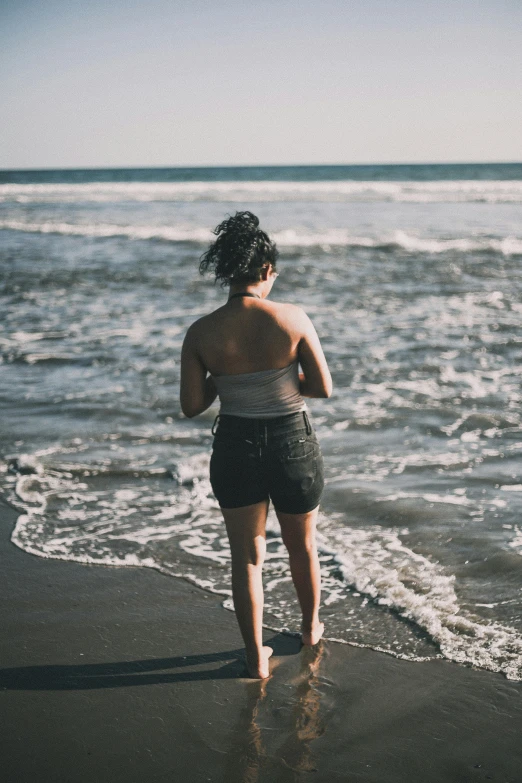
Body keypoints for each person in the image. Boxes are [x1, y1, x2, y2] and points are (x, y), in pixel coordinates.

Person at [180, 211, 332, 679]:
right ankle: (309, 630)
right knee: (301, 546)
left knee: (247, 556)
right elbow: (322, 387)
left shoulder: (201, 331)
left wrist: (228, 380)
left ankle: (255, 657)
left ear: (227, 272)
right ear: (266, 270)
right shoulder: (292, 318)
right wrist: (278, 379)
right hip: (291, 441)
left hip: (235, 447)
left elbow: (192, 405)